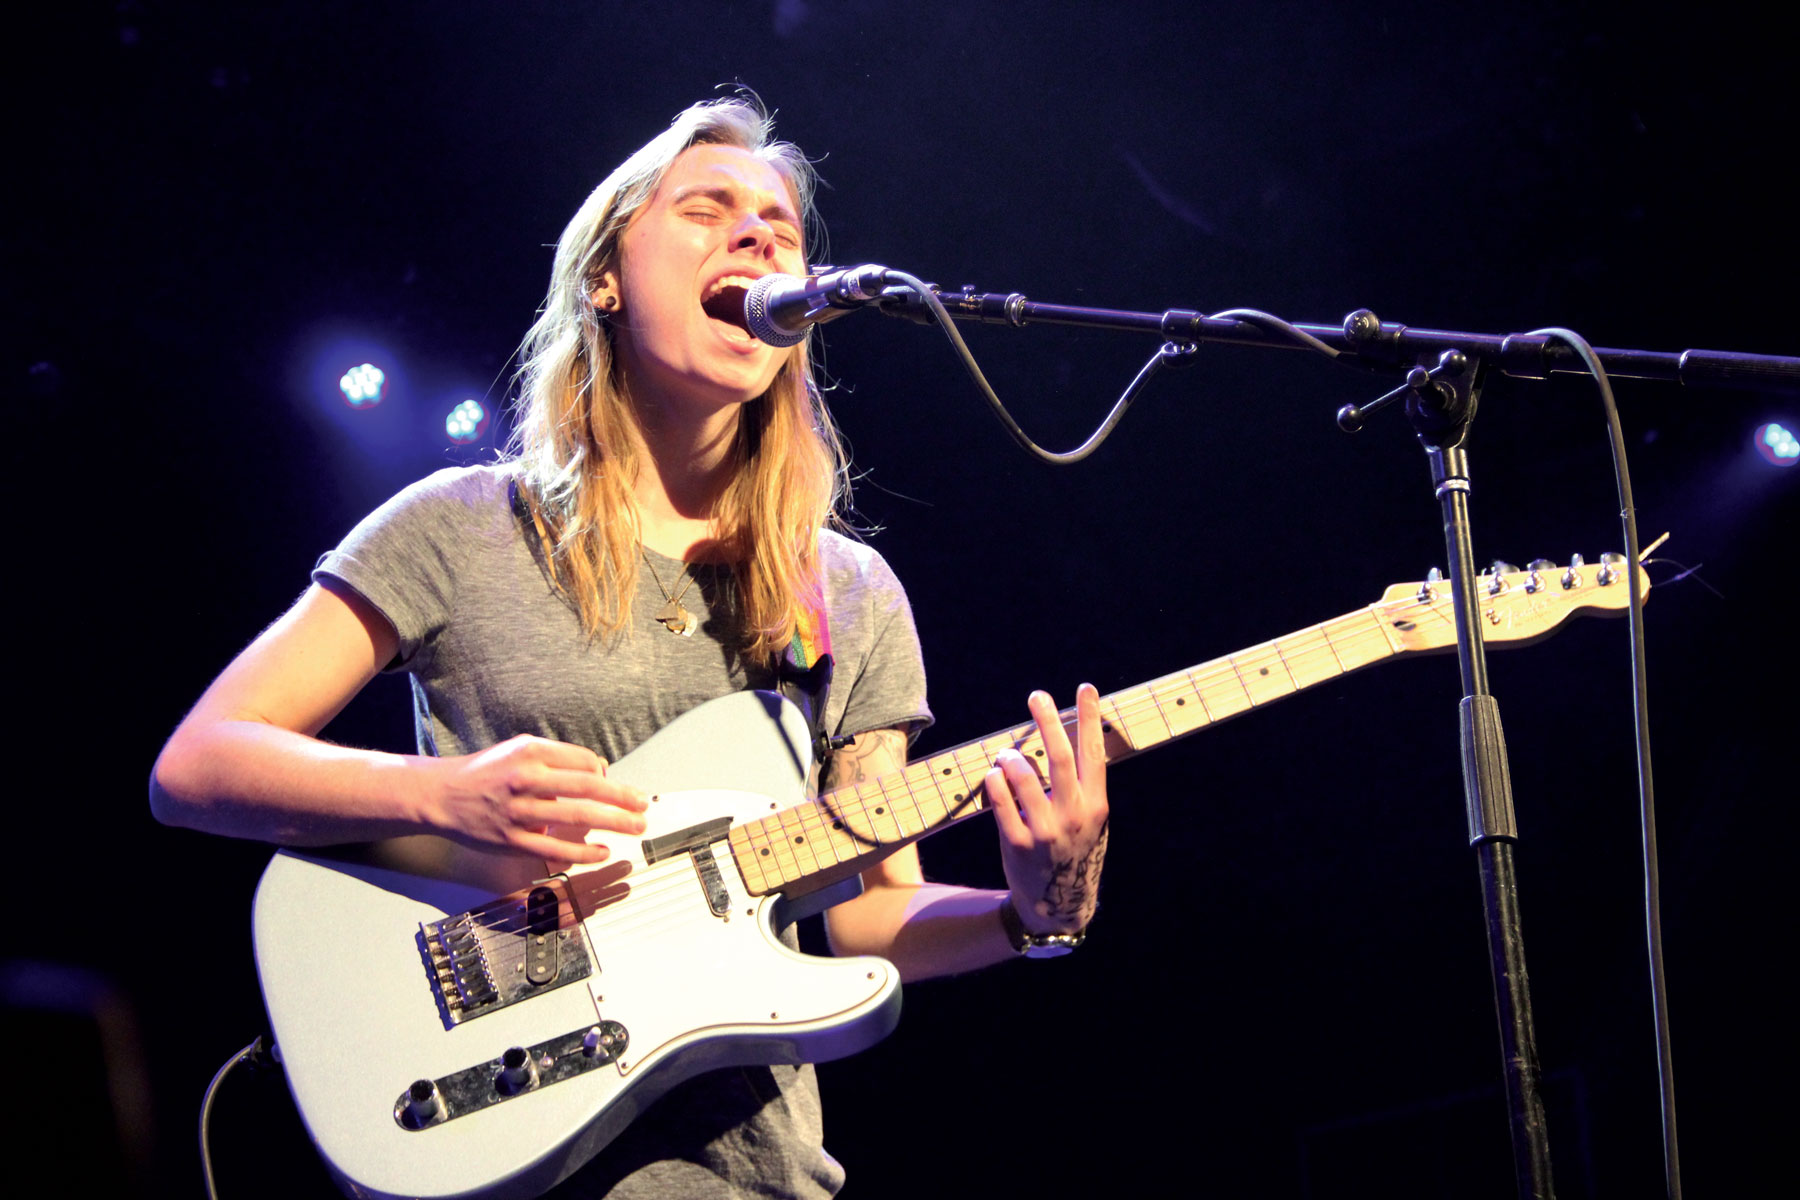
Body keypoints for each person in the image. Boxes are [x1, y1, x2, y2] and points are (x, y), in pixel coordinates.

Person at [150, 96, 1109, 1199]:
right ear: (605, 276)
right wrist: (443, 796)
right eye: (709, 210)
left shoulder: (846, 591)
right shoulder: (462, 527)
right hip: (498, 1130)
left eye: (781, 227)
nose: (759, 236)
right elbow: (200, 764)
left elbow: (866, 913)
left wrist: (1031, 914)